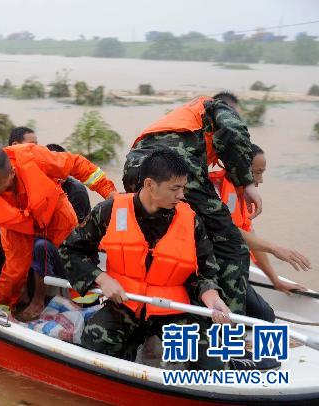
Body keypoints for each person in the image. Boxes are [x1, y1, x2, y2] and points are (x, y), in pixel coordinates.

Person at [60, 150, 229, 370]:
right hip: (125, 304)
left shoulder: (191, 221)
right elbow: (70, 250)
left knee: (211, 362)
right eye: (174, 188)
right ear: (150, 185)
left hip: (172, 310)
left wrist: (212, 296)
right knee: (97, 344)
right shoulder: (109, 211)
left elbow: (206, 271)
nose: (181, 195)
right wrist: (101, 279)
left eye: (183, 188)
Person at [0, 143, 117, 321]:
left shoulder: (34, 157)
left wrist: (108, 192)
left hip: (54, 215)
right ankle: (2, 311)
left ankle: (88, 309)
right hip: (17, 227)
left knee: (74, 257)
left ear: (11, 173)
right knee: (14, 272)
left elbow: (76, 164)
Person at [123, 92, 260, 315]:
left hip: (135, 170)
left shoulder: (183, 117)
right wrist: (247, 183)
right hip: (175, 168)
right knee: (232, 247)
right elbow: (235, 132)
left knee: (169, 238)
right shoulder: (215, 106)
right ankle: (230, 329)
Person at [209, 144, 311, 322]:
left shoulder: (243, 197)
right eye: (257, 172)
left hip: (235, 267)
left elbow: (251, 238)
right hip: (210, 270)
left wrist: (275, 280)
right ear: (240, 168)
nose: (260, 180)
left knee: (265, 316)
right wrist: (275, 248)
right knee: (253, 318)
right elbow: (227, 229)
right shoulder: (212, 189)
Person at [46, 143, 91, 223]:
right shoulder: (39, 183)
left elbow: (76, 226)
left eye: (62, 167)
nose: (59, 172)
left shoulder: (76, 190)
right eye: (53, 168)